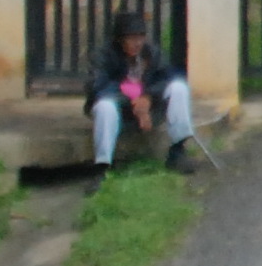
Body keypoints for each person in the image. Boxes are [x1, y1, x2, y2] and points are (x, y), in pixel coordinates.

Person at [84, 10, 199, 174]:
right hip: (120, 109)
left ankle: (177, 150)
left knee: (179, 88)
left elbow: (166, 77)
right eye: (131, 38)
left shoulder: (152, 52)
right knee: (104, 107)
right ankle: (102, 167)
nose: (137, 43)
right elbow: (97, 86)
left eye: (141, 37)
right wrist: (132, 98)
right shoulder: (102, 55)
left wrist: (148, 97)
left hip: (149, 108)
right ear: (119, 39)